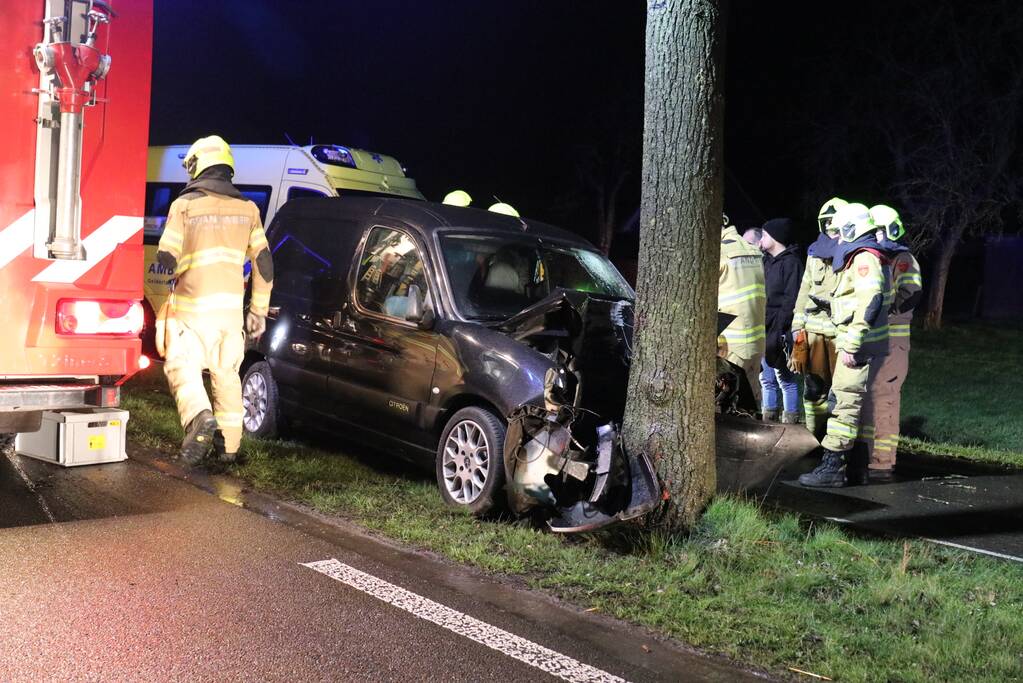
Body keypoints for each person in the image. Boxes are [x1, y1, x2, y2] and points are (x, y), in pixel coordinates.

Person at [156, 135, 274, 465]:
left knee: (182, 366)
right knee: (226, 374)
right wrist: (259, 310)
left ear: (198, 167)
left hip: (193, 310)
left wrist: (173, 264)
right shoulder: (248, 209)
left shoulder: (185, 206)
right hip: (230, 315)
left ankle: (199, 418)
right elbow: (264, 262)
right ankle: (230, 449)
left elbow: (167, 253)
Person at [799, 203, 892, 488]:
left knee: (843, 403)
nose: (836, 237)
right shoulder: (862, 255)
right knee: (856, 407)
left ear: (852, 228)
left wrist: (851, 344)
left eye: (840, 231)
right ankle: (857, 468)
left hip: (856, 346)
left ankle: (831, 469)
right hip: (861, 343)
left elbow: (870, 299)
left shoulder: (863, 258)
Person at [860, 204, 923, 480]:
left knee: (883, 398)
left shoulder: (902, 257)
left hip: (892, 339)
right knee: (865, 397)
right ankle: (864, 455)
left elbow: (912, 291)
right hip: (874, 337)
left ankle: (882, 461)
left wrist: (888, 311)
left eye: (875, 230)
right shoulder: (877, 257)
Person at [790, 198, 845, 438]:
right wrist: (796, 326)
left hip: (840, 335)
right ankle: (814, 438)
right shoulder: (815, 252)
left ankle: (835, 443)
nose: (831, 228)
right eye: (827, 223)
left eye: (835, 223)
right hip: (813, 334)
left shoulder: (852, 252)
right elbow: (805, 288)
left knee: (840, 393)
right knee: (813, 390)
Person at [718, 216, 767, 408]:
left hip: (729, 343)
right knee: (753, 396)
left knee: (729, 401)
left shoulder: (718, 252)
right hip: (755, 340)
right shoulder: (751, 250)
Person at [759, 218, 803, 423]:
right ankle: (768, 417)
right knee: (765, 378)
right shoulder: (765, 261)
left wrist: (782, 324)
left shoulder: (791, 263)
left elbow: (791, 297)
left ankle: (791, 419)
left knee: (784, 377)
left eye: (765, 235)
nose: (762, 238)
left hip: (780, 328)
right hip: (763, 326)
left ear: (776, 238)